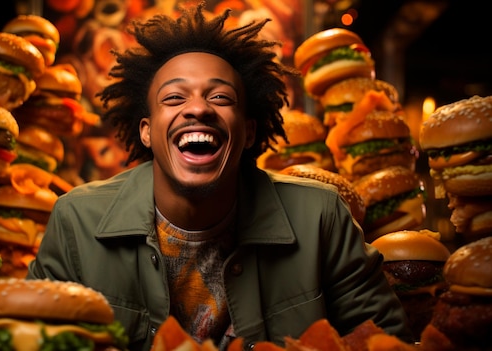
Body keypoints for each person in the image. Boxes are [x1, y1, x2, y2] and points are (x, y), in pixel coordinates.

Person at [27, 2, 413, 350]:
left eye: (220, 97)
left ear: (247, 132)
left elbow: (386, 340)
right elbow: (26, 337)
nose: (198, 108)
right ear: (146, 130)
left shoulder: (321, 216)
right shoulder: (75, 221)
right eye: (175, 98)